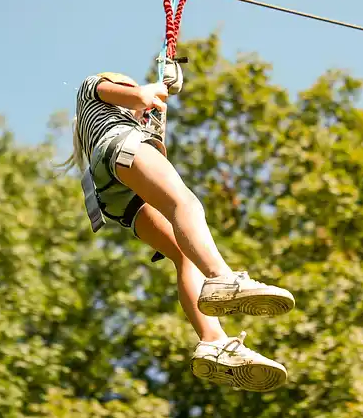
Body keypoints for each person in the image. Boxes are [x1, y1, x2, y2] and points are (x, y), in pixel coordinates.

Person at [57, 61, 295, 392]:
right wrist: (152, 89)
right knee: (185, 204)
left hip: (112, 195)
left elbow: (151, 117)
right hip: (120, 151)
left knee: (184, 255)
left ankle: (212, 340)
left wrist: (166, 78)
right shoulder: (92, 86)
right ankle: (222, 277)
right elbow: (141, 96)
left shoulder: (114, 125)